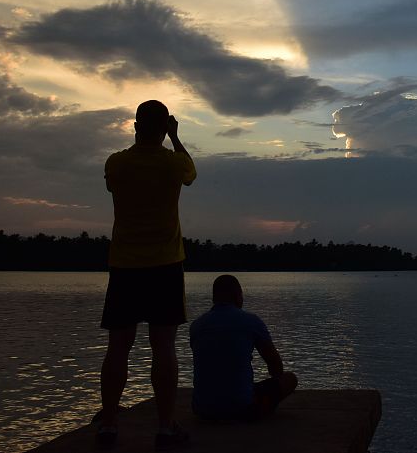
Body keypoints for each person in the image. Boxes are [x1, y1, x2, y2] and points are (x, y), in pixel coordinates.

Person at [96, 100, 197, 450]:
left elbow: (111, 187)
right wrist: (175, 137)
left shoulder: (117, 163)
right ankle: (166, 427)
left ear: (135, 126)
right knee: (164, 347)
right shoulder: (173, 163)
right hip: (165, 265)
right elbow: (191, 173)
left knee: (118, 348)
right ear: (164, 127)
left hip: (125, 266)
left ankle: (108, 423)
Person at [189, 274, 298, 422]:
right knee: (290, 379)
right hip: (242, 409)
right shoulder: (251, 322)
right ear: (238, 296)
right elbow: (275, 365)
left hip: (202, 409)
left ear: (214, 298)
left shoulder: (196, 325)